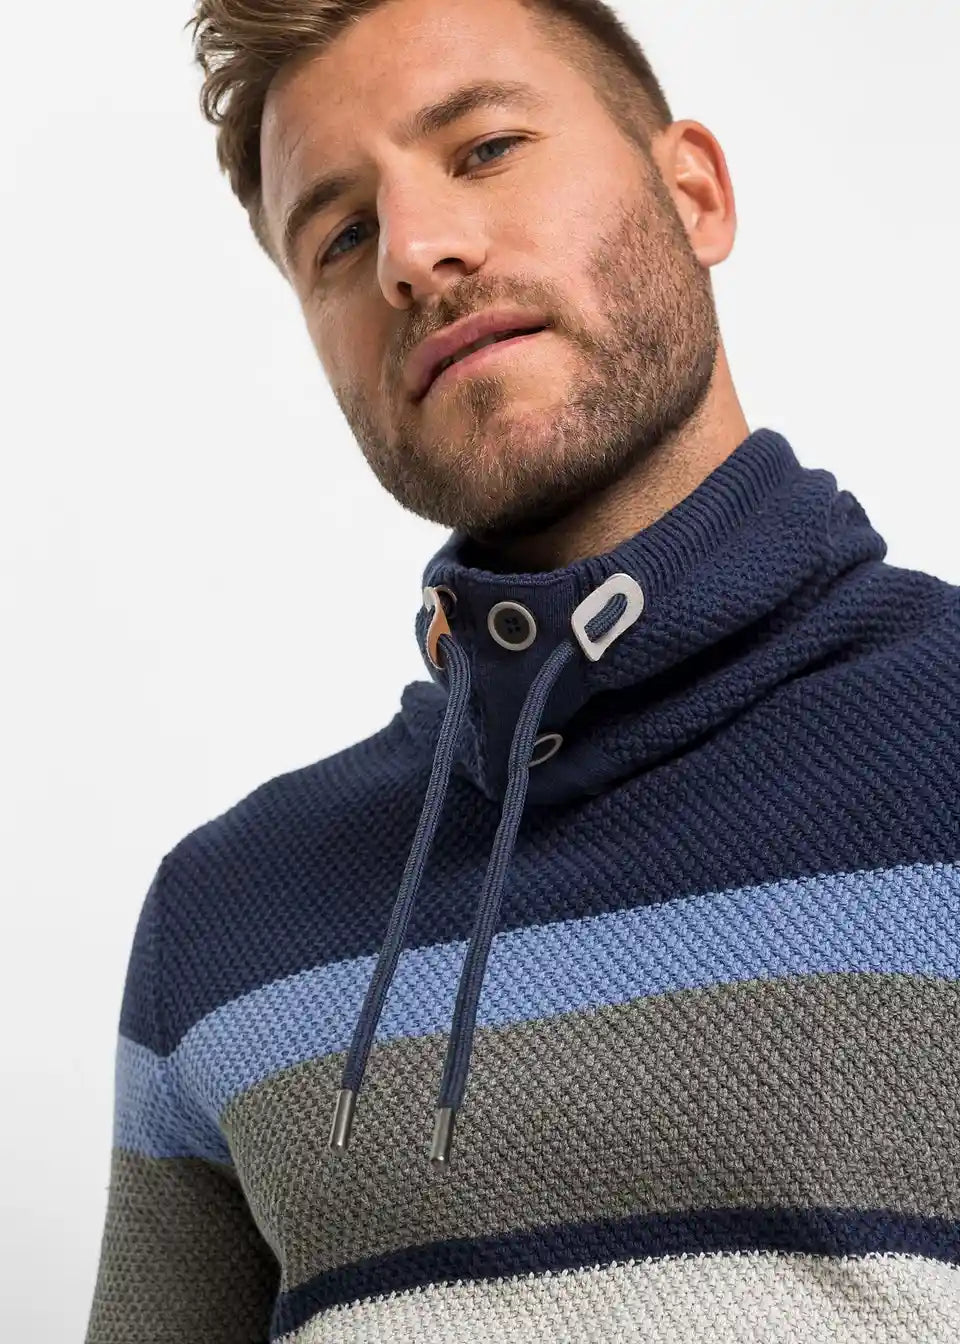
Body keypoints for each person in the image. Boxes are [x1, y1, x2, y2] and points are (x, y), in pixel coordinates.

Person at [85, 0, 960, 1340]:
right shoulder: (221, 921)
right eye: (341, 236)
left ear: (695, 194)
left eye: (484, 149)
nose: (413, 253)